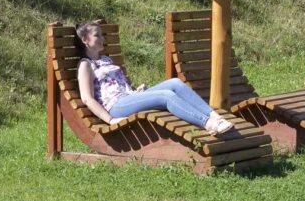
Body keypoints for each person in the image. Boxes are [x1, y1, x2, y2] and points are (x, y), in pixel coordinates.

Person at [75, 21, 233, 135]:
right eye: (97, 35)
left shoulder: (106, 60)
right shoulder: (85, 65)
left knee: (175, 83)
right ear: (85, 40)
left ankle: (215, 117)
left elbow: (119, 85)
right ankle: (207, 123)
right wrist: (109, 120)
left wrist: (135, 92)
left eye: (102, 35)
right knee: (166, 96)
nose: (103, 39)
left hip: (128, 98)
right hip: (115, 107)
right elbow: (87, 99)